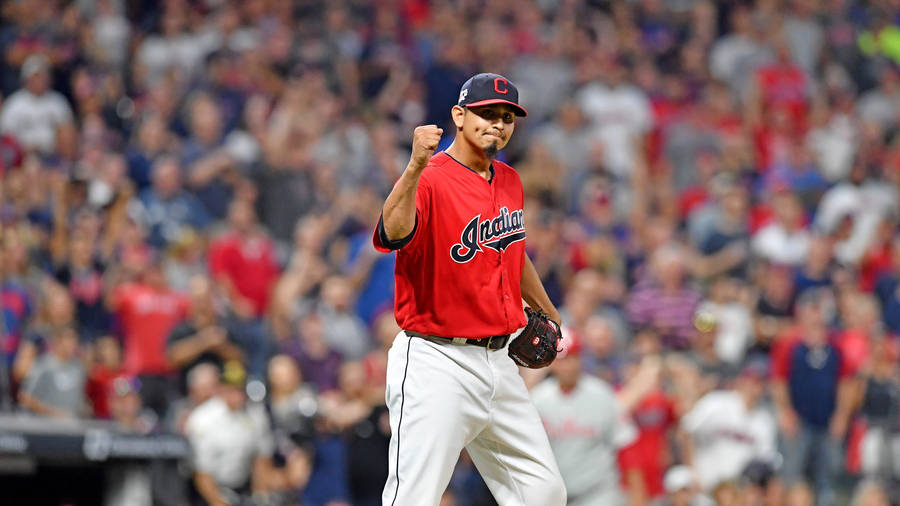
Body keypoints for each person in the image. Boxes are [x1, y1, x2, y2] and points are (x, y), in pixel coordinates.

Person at [373, 73, 566, 505]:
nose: (497, 124)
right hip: (437, 360)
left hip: (499, 362)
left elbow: (512, 250)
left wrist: (548, 310)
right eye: (486, 114)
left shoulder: (510, 180)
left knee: (544, 492)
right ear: (459, 116)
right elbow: (392, 233)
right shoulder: (430, 176)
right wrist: (414, 166)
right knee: (414, 497)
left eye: (506, 117)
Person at [531, 332, 637, 505]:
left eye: (573, 358)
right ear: (552, 363)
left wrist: (637, 495)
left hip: (598, 492)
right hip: (555, 496)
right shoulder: (538, 399)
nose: (568, 366)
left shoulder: (603, 394)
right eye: (563, 359)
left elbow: (626, 445)